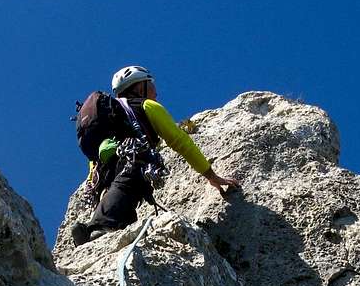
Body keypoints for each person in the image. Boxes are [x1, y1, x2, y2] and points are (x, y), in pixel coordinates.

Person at [71, 66, 239, 246]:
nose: (156, 91)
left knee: (124, 197)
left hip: (103, 173)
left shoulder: (110, 114)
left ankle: (95, 229)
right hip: (132, 160)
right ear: (138, 87)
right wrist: (210, 175)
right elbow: (179, 140)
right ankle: (100, 227)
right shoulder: (146, 105)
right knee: (132, 180)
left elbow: (94, 162)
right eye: (150, 83)